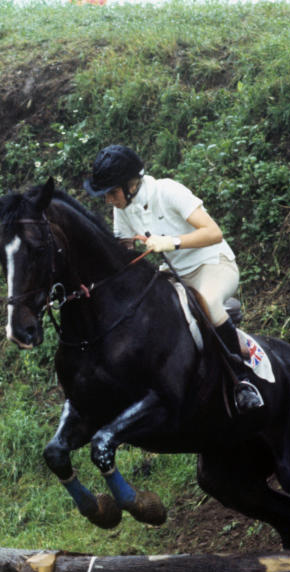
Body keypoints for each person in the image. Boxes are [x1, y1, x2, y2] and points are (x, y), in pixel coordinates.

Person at [83, 143, 264, 413]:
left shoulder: (167, 190)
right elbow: (123, 254)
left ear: (130, 184)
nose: (109, 200)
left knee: (209, 303)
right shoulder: (121, 208)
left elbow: (214, 232)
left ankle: (243, 381)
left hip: (212, 264)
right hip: (174, 275)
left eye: (112, 192)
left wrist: (172, 242)